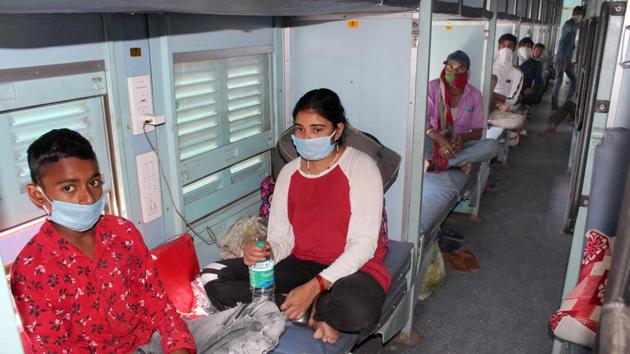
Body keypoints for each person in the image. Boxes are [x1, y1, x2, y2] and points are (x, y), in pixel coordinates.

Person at [11, 128, 284, 353]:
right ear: (38, 195)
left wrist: (178, 346)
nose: (88, 198)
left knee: (266, 314)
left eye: (93, 183)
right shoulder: (32, 268)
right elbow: (56, 348)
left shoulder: (122, 233)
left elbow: (158, 304)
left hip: (153, 341)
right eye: (69, 188)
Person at [204, 88, 389, 344]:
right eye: (300, 129)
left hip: (354, 267)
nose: (306, 137)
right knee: (213, 275)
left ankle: (303, 304)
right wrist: (266, 252)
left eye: (317, 129)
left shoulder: (360, 167)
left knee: (357, 312)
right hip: (301, 263)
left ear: (337, 130)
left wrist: (315, 286)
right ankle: (309, 311)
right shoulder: (290, 173)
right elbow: (282, 237)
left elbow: (363, 245)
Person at [425, 50, 499, 173]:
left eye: (460, 69)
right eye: (449, 68)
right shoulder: (433, 87)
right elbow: (423, 123)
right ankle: (456, 163)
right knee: (416, 141)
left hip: (458, 146)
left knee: (492, 146)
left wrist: (462, 139)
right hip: (434, 141)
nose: (453, 72)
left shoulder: (475, 95)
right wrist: (440, 139)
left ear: (467, 72)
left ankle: (438, 163)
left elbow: (477, 132)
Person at [551, 6, 585, 110]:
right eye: (577, 13)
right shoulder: (569, 24)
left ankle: (568, 102)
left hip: (568, 56)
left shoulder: (575, 24)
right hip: (562, 55)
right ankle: (554, 104)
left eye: (580, 14)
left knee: (574, 80)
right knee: (559, 80)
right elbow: (572, 30)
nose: (578, 16)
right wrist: (581, 25)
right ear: (573, 14)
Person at [492, 33, 524, 112]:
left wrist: (491, 95)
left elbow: (512, 100)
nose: (506, 49)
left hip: (503, 107)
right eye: (503, 46)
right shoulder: (488, 68)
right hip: (486, 102)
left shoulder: (518, 74)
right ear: (498, 47)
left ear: (514, 49)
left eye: (509, 46)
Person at [518, 37, 543, 105]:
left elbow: (538, 81)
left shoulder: (536, 64)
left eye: (528, 47)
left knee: (537, 97)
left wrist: (532, 89)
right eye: (523, 46)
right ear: (519, 48)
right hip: (510, 90)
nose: (525, 48)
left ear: (531, 49)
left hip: (525, 91)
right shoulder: (513, 61)